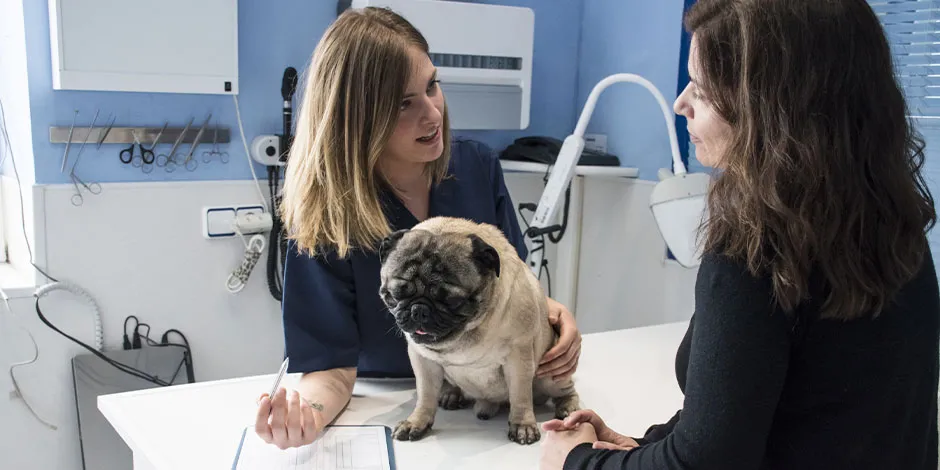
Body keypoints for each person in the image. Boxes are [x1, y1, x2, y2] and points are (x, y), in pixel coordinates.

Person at [540, 0, 940, 469]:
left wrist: (575, 461)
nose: (680, 103)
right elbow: (770, 414)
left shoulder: (758, 249)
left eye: (703, 92)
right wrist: (643, 447)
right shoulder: (893, 226)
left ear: (769, 113)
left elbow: (706, 463)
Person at [253, 6, 583, 450]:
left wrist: (556, 315)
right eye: (404, 104)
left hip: (489, 401)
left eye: (432, 86)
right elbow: (329, 368)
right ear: (357, 118)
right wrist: (306, 417)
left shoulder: (476, 166)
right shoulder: (325, 216)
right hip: (389, 404)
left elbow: (513, 282)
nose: (432, 114)